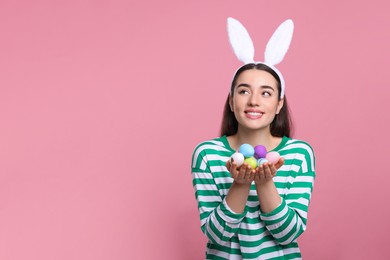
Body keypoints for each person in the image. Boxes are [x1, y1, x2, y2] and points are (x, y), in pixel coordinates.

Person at [191, 18, 316, 259]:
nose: (253, 101)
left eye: (266, 93)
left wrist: (264, 182)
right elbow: (217, 236)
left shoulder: (300, 154)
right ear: (231, 100)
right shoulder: (207, 154)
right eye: (244, 91)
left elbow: (287, 234)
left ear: (279, 103)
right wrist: (240, 184)